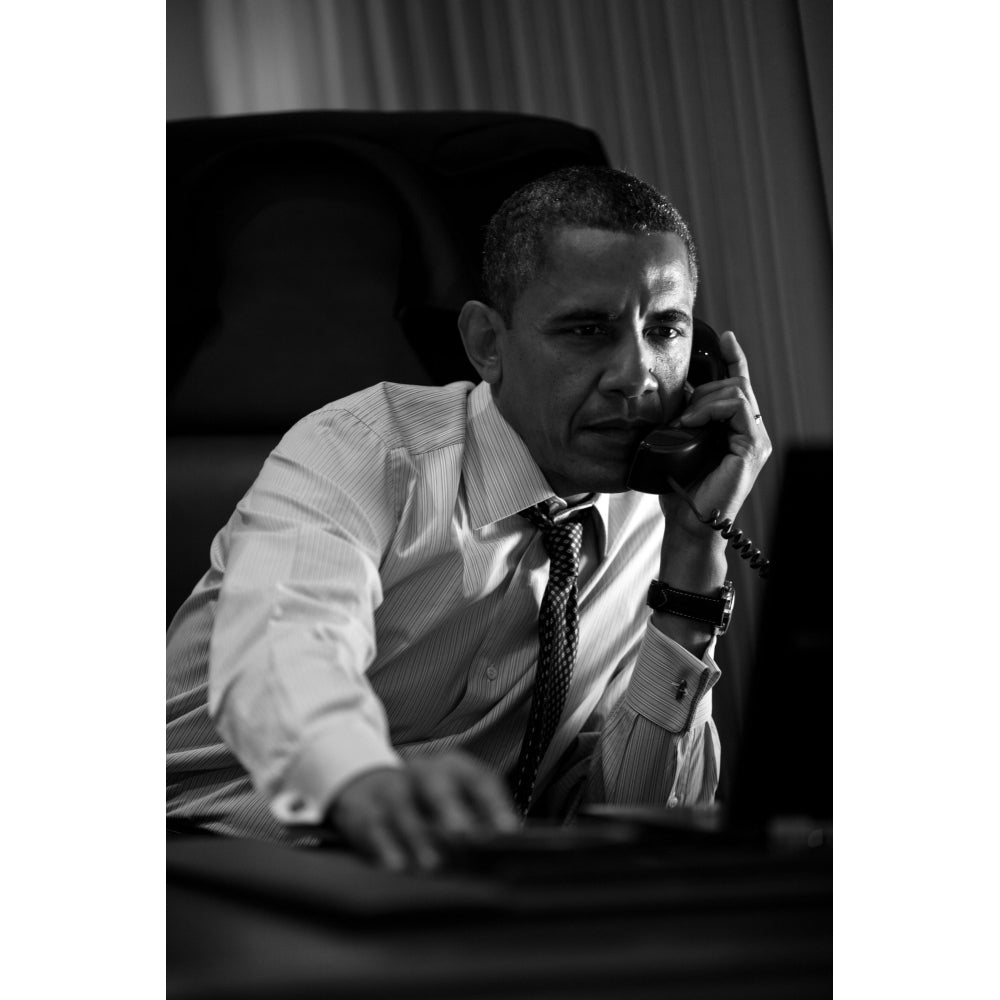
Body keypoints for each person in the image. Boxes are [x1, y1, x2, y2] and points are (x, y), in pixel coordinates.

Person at [166, 165, 771, 871]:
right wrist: (361, 779)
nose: (636, 376)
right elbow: (287, 640)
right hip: (204, 853)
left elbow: (637, 819)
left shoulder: (662, 515)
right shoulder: (364, 449)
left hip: (445, 890)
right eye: (586, 330)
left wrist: (694, 567)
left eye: (665, 330)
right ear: (487, 342)